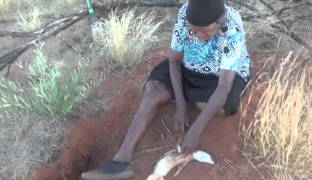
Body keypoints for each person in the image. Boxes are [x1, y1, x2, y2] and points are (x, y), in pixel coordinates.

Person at [82, 0, 250, 179]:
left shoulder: (232, 28)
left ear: (219, 21)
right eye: (195, 31)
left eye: (207, 31)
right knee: (153, 91)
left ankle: (194, 100)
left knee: (223, 107)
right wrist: (180, 105)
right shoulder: (185, 14)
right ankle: (120, 161)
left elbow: (224, 86)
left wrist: (195, 130)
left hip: (218, 76)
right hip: (188, 67)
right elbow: (174, 60)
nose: (200, 36)